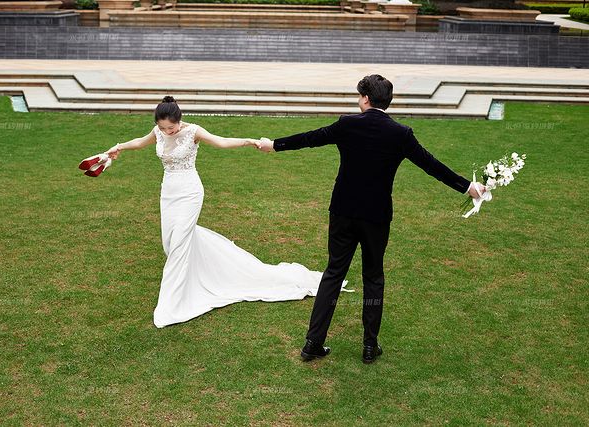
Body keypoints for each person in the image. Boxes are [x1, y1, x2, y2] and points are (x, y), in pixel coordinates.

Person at [257, 74, 486, 363]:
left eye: (359, 95)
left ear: (365, 98)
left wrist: (274, 144)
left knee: (333, 273)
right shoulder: (400, 134)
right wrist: (467, 187)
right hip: (376, 217)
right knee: (373, 276)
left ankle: (313, 342)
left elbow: (310, 139)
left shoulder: (347, 124)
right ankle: (369, 345)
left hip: (343, 212)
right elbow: (432, 165)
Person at [104, 96, 351, 328]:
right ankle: (204, 273)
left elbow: (221, 142)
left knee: (179, 242)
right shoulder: (158, 131)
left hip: (190, 192)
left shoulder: (193, 131)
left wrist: (248, 141)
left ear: (179, 120)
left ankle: (173, 304)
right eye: (163, 128)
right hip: (168, 192)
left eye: (171, 127)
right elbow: (140, 142)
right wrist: (119, 147)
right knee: (170, 243)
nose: (168, 132)